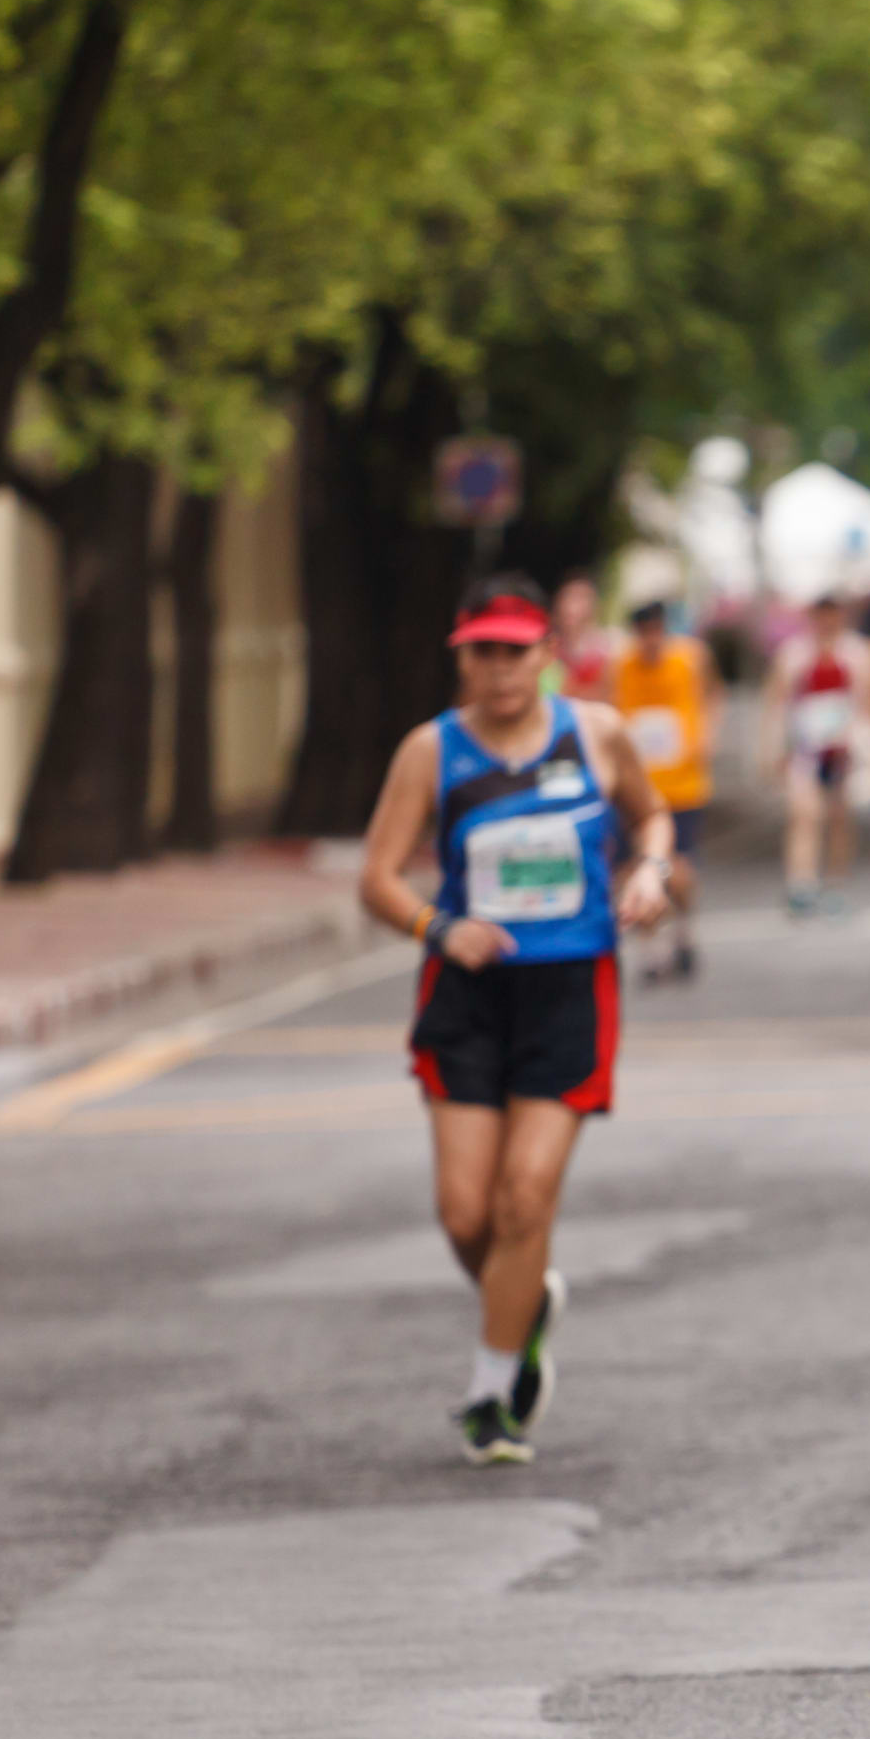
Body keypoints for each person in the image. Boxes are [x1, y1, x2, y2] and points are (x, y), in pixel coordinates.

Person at [357, 578, 679, 1463]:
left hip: (569, 988)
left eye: (516, 650)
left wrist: (649, 871)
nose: (500, 669)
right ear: (461, 657)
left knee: (524, 1197)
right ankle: (525, 1297)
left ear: (546, 652)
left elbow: (651, 814)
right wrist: (439, 927)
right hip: (467, 993)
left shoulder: (597, 732)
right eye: (482, 652)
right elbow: (377, 878)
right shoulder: (432, 751)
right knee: (467, 1215)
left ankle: (493, 1392)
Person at [609, 595, 719, 982]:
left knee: (680, 868)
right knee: (635, 869)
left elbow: (712, 696)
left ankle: (684, 932)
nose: (651, 640)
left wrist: (705, 736)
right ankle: (651, 949)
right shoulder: (621, 665)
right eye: (644, 632)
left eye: (657, 631)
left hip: (683, 784)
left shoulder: (690, 658)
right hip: (638, 786)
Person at [766, 591, 870, 918]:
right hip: (806, 749)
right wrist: (775, 748)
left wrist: (862, 745)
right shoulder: (794, 654)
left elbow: (866, 701)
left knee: (840, 819)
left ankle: (836, 884)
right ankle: (801, 884)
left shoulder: (857, 653)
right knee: (804, 815)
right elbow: (777, 702)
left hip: (842, 749)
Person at [546, 574, 617, 699]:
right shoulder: (547, 648)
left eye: (580, 598)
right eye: (567, 597)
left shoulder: (604, 650)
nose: (571, 606)